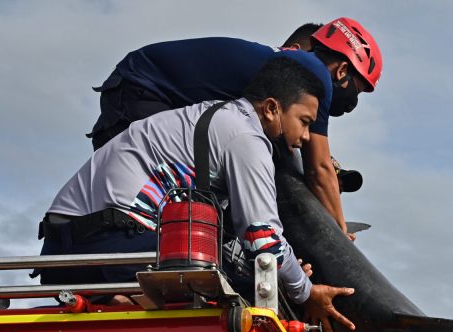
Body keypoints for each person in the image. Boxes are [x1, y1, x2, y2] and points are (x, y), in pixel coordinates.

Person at [40, 58, 354, 332]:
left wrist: (283, 267)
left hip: (62, 249)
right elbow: (264, 240)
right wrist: (306, 291)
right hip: (108, 242)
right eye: (305, 122)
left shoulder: (211, 115)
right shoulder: (247, 138)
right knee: (242, 287)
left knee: (238, 267)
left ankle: (119, 307)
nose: (307, 137)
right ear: (272, 108)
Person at [88, 18, 382, 236]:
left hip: (143, 88)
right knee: (157, 205)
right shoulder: (312, 71)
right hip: (141, 89)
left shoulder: (287, 73)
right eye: (357, 89)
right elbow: (319, 170)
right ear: (342, 70)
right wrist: (339, 235)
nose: (353, 100)